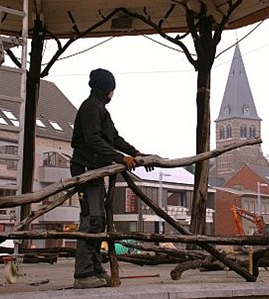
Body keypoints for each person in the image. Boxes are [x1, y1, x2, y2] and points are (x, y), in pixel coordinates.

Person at [70, 68, 152, 289]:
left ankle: (95, 268)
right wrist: (119, 158)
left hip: (95, 169)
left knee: (99, 220)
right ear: (109, 89)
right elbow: (93, 139)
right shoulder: (90, 108)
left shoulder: (100, 110)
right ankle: (84, 274)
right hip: (86, 169)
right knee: (92, 219)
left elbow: (113, 137)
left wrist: (135, 153)